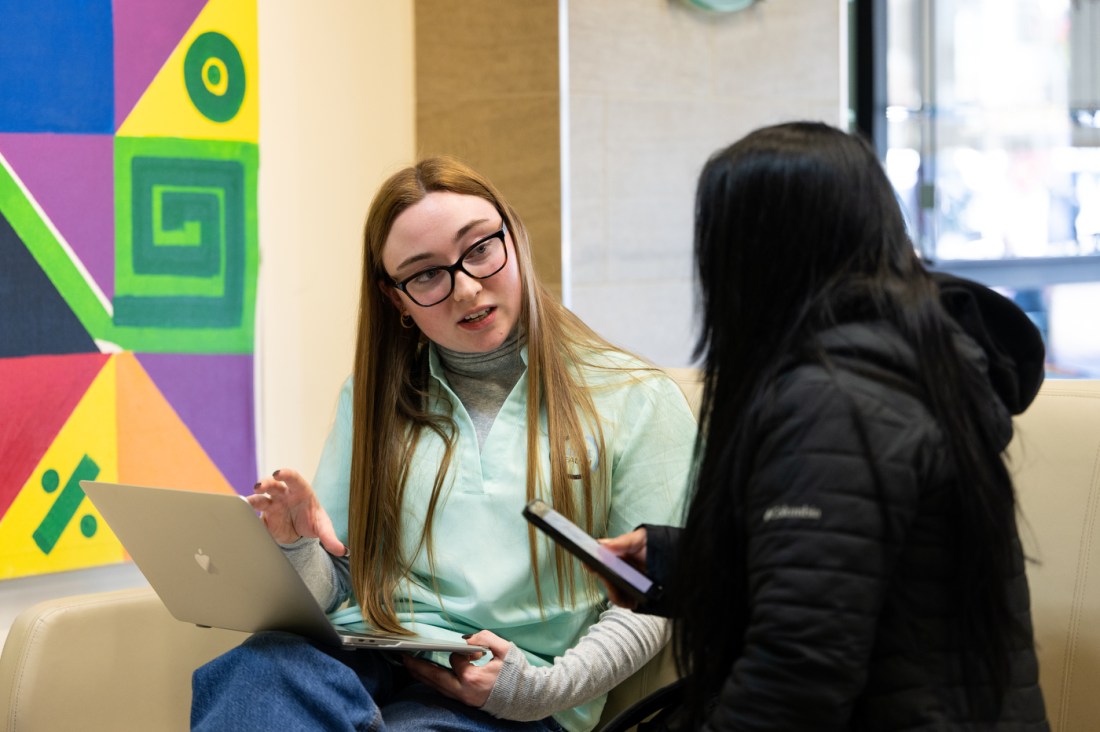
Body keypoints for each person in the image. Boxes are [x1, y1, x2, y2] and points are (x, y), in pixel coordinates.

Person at [190, 156, 696, 732]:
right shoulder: (372, 395)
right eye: (425, 274)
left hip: (507, 689)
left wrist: (541, 689)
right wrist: (296, 548)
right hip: (372, 653)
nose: (466, 286)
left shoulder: (634, 397)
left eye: (480, 248)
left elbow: (657, 602)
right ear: (396, 298)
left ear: (515, 236)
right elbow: (344, 586)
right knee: (250, 675)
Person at [600, 122, 1050, 730]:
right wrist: (676, 562)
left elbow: (795, 674)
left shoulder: (832, 400)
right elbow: (853, 572)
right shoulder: (909, 361)